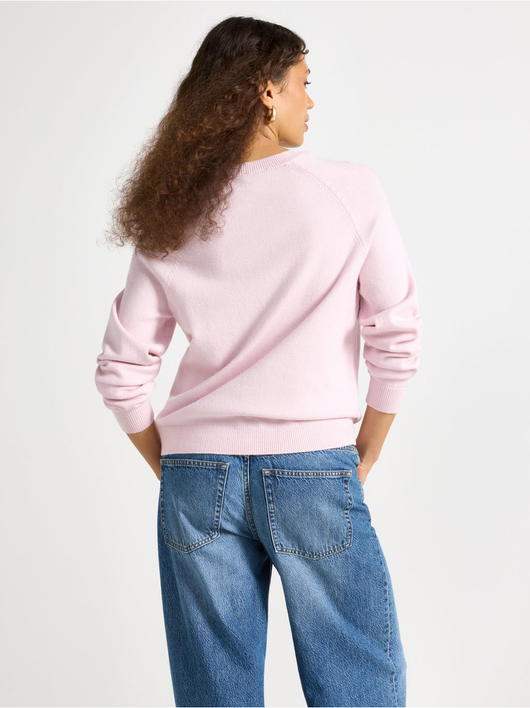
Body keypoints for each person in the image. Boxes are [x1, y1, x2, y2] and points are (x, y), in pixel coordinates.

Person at [94, 15, 422, 708]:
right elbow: (395, 337)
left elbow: (121, 372)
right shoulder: (349, 191)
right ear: (266, 92)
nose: (311, 99)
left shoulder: (172, 209)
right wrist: (363, 453)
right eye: (303, 82)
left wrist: (177, 467)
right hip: (313, 465)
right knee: (360, 686)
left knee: (214, 696)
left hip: (195, 478)